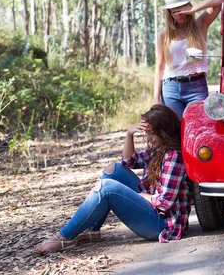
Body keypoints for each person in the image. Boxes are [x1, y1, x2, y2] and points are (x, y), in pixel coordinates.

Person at [34, 105, 191, 253]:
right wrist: (129, 134)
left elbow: (164, 202)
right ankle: (92, 230)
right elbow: (129, 162)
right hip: (154, 210)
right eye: (146, 132)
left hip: (162, 224)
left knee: (106, 188)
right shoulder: (158, 149)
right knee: (113, 170)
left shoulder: (173, 157)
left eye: (151, 133)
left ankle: (63, 237)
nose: (147, 137)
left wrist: (138, 196)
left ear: (164, 132)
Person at [153, 0, 223, 119]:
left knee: (198, 128)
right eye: (174, 11)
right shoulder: (164, 35)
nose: (178, 14)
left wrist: (193, 9)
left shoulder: (199, 26)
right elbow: (159, 67)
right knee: (174, 132)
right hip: (170, 88)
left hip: (196, 87)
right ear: (170, 14)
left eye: (181, 9)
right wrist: (156, 98)